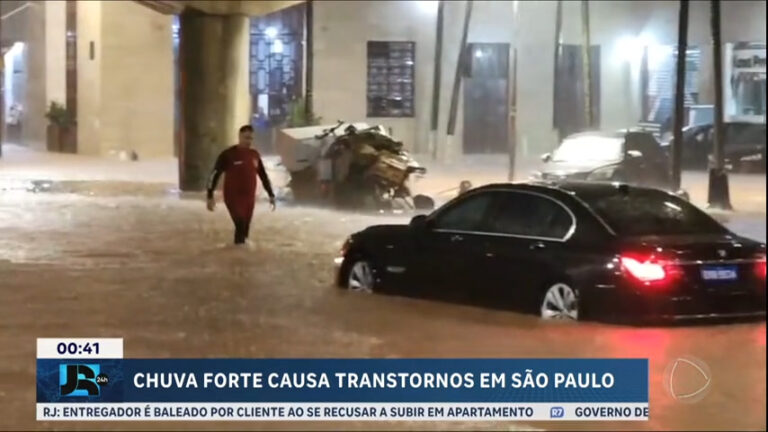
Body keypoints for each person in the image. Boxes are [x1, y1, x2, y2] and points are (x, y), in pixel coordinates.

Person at [206, 125, 276, 245]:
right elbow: (214, 174)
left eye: (250, 139)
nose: (248, 141)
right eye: (246, 138)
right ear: (239, 137)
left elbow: (263, 176)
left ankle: (241, 256)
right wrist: (210, 195)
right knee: (240, 224)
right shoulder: (228, 155)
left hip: (249, 198)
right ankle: (236, 256)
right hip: (233, 197)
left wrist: (271, 195)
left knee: (245, 231)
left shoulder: (255, 155)